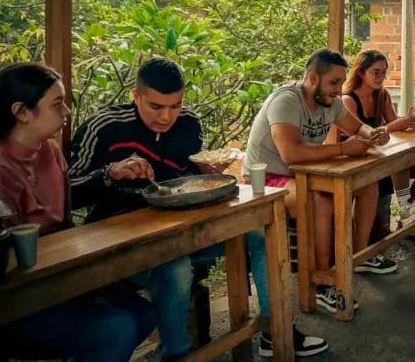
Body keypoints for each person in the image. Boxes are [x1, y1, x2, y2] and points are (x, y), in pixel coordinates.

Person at [69, 57, 327, 359]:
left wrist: (204, 171)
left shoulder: (189, 124)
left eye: (175, 106)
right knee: (176, 267)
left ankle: (276, 329)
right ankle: (175, 353)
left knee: (263, 234)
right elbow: (69, 192)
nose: (167, 117)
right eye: (155, 107)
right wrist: (109, 173)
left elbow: (186, 181)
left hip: (183, 230)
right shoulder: (105, 127)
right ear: (136, 96)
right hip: (127, 241)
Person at [0, 63, 157, 362]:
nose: (66, 112)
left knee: (145, 314)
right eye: (57, 104)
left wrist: (109, 175)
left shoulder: (50, 151)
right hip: (9, 299)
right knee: (117, 328)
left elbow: (65, 212)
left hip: (62, 278)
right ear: (22, 112)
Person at [243, 49, 390, 312]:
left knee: (368, 183)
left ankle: (355, 259)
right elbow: (291, 153)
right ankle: (322, 284)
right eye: (333, 82)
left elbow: (357, 128)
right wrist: (345, 149)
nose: (338, 89)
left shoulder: (331, 102)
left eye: (341, 82)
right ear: (313, 78)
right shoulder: (286, 101)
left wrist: (374, 134)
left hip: (304, 174)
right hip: (266, 179)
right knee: (320, 201)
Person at [341, 49, 415, 274]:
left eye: (384, 72)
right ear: (361, 72)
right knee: (397, 159)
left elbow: (393, 124)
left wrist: (408, 122)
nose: (380, 77)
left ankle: (409, 221)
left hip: (377, 155)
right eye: (375, 72)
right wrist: (396, 125)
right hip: (355, 159)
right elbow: (362, 135)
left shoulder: (382, 95)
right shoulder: (348, 100)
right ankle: (405, 207)